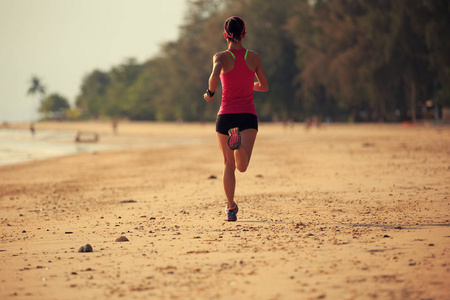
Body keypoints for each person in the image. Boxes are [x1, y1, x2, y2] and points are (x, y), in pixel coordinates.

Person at [203, 16, 269, 221]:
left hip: (225, 116)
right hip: (247, 115)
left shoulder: (220, 57)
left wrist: (210, 92)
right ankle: (237, 143)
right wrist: (248, 84)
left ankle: (230, 208)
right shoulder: (254, 57)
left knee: (228, 165)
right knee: (243, 166)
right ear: (244, 34)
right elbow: (265, 86)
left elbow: (215, 75)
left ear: (225, 35)